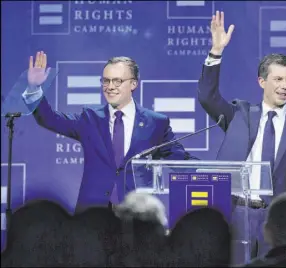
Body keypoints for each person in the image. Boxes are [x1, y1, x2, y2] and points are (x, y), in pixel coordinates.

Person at [197, 11, 286, 263]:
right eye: (278, 79)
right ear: (262, 81)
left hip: (277, 223)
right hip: (234, 214)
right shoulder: (239, 114)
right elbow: (207, 97)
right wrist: (216, 52)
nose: (285, 86)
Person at [23, 51, 196, 213]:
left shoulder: (156, 123)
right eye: (106, 81)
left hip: (137, 215)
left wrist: (215, 174)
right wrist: (34, 89)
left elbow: (181, 161)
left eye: (117, 81)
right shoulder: (90, 119)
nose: (110, 87)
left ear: (133, 84)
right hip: (94, 216)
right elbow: (49, 119)